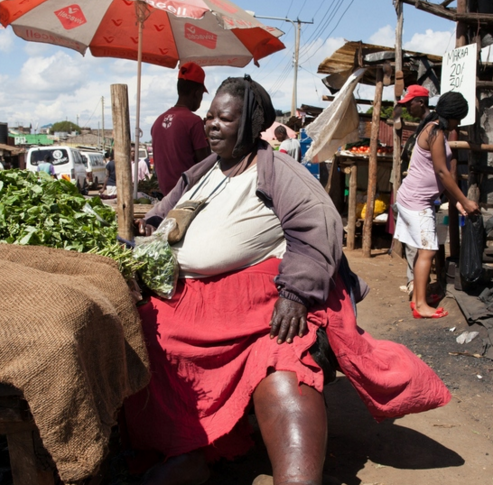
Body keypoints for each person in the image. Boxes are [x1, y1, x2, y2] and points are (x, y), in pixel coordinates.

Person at [125, 76, 451, 485]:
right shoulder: (202, 171)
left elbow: (319, 228)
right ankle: (188, 450)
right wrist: (149, 232)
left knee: (282, 355)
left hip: (260, 300)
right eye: (209, 117)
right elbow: (161, 211)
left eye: (224, 119)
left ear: (249, 124)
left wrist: (295, 293)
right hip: (191, 303)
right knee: (148, 338)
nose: (211, 125)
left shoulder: (278, 170)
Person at [394, 91, 480, 319]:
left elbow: (437, 173)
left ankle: (417, 297)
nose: (458, 123)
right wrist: (464, 200)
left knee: (423, 248)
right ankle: (420, 306)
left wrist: (457, 202)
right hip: (416, 202)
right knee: (428, 249)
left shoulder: (432, 128)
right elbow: (442, 172)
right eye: (458, 118)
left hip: (413, 198)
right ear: (452, 115)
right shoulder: (435, 132)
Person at [151, 62, 211, 195]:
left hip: (166, 198)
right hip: (187, 196)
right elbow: (206, 164)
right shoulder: (194, 121)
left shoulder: (158, 121)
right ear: (197, 93)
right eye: (201, 95)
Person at [395, 84, 432, 301]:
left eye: (410, 103)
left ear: (421, 102)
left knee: (423, 245)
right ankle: (413, 283)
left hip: (420, 195)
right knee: (413, 242)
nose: (408, 107)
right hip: (412, 192)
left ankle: (418, 290)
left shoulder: (431, 127)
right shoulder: (422, 126)